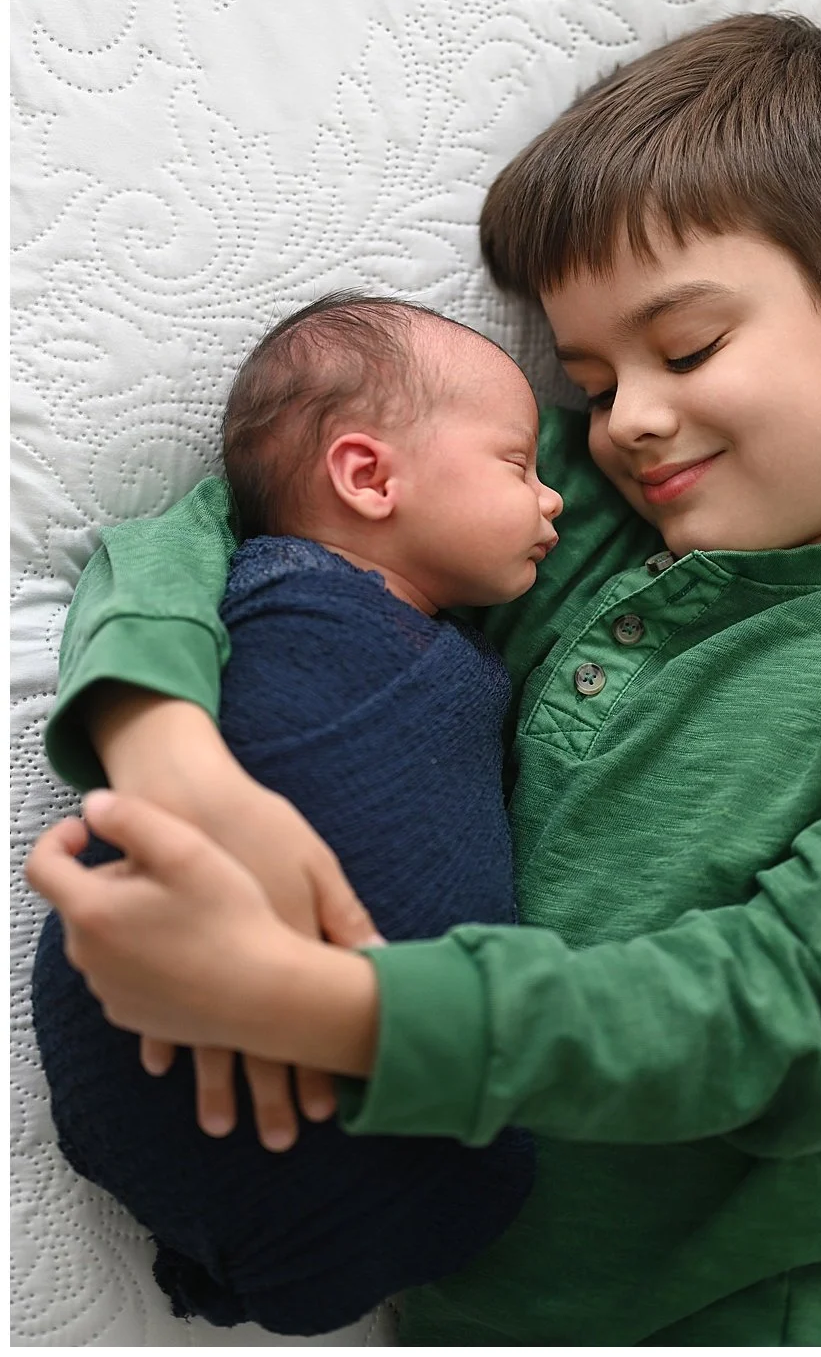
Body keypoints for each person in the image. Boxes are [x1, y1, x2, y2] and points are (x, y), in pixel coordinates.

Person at [29, 12, 821, 1345]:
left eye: (689, 347)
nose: (629, 421)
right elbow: (236, 514)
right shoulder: (583, 520)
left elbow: (794, 1017)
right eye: (590, 382)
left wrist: (316, 1004)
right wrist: (172, 753)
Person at [33, 294, 555, 1334]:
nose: (553, 502)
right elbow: (157, 548)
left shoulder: (457, 634)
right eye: (518, 465)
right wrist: (168, 744)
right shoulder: (282, 597)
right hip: (141, 979)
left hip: (357, 1151)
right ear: (367, 476)